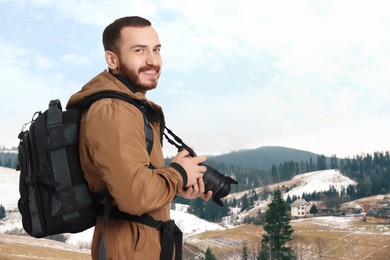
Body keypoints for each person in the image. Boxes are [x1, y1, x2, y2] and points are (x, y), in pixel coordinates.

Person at [66, 16, 212, 260]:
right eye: (139, 51)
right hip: (131, 251)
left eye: (156, 50)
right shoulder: (113, 110)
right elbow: (134, 196)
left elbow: (129, 184)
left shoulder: (129, 106)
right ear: (112, 59)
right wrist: (178, 173)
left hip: (140, 247)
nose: (152, 61)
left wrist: (177, 186)